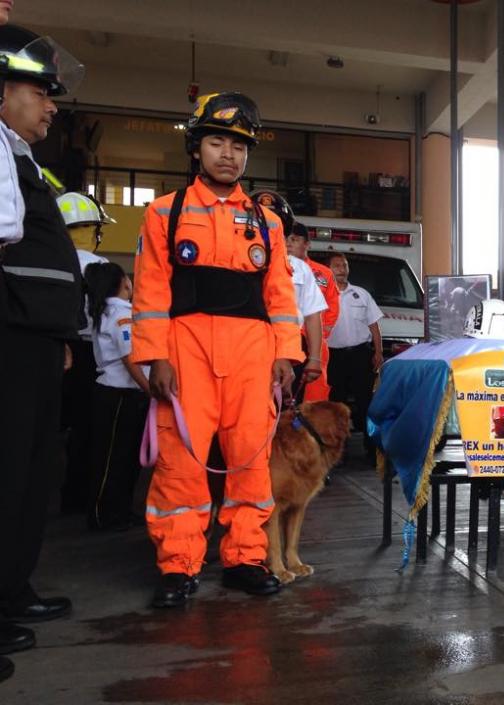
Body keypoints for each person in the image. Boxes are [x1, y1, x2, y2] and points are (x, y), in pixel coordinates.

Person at [132, 92, 302, 608]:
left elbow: (280, 296)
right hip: (185, 356)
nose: (228, 154)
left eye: (238, 146)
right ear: (196, 148)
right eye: (216, 141)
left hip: (253, 356)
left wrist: (286, 356)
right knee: (180, 463)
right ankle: (178, 565)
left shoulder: (267, 222)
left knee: (251, 458)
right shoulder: (165, 213)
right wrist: (155, 356)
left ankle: (245, 558)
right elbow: (151, 290)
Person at [0, 25, 85, 670]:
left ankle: (12, 588)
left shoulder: (23, 157)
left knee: (30, 476)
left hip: (34, 337)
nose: (51, 106)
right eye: (39, 91)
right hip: (9, 334)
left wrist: (57, 335)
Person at [57, 192, 114, 514]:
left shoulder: (51, 259)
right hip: (89, 354)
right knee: (86, 431)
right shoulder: (101, 267)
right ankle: (80, 497)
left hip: (54, 349)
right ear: (91, 230)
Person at [84, 262, 150, 531]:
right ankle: (105, 514)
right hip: (120, 394)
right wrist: (150, 390)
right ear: (124, 283)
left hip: (113, 393)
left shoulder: (105, 310)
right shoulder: (122, 314)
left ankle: (118, 511)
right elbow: (130, 359)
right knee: (115, 459)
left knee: (120, 457)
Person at [250, 190, 327, 400]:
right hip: (245, 347)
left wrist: (314, 359)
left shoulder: (300, 269)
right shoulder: (233, 260)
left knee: (283, 417)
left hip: (289, 348)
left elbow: (312, 315)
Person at [326, 252, 383, 462]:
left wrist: (377, 352)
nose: (342, 268)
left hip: (360, 354)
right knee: (335, 404)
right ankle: (337, 452)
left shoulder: (361, 294)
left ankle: (371, 450)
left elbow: (374, 326)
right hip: (334, 357)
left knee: (365, 402)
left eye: (344, 265)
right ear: (328, 269)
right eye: (337, 265)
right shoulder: (322, 294)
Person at [296, 223, 340, 402]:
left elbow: (332, 307)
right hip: (284, 340)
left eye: (295, 239)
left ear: (307, 244)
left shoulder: (323, 273)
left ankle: (312, 427)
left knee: (316, 392)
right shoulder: (275, 267)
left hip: (314, 341)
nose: (289, 244)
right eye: (287, 239)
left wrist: (318, 336)